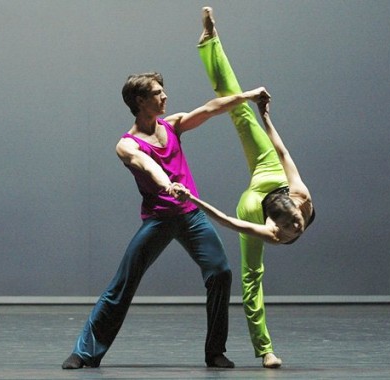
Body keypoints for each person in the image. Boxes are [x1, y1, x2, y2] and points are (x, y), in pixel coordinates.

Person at [61, 69, 270, 370]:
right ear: (140, 100)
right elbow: (147, 165)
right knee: (123, 283)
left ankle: (215, 352)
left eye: (163, 90)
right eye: (158, 92)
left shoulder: (172, 126)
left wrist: (248, 96)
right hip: (159, 220)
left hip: (191, 217)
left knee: (220, 273)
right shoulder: (127, 144)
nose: (165, 96)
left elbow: (211, 109)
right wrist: (167, 184)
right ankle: (84, 352)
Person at [176, 7, 316, 369]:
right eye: (291, 229)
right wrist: (193, 199)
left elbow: (281, 152)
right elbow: (228, 221)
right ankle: (210, 43)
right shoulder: (266, 227)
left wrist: (267, 119)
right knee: (253, 277)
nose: (297, 228)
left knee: (249, 116)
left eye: (297, 224)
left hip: (273, 174)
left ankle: (264, 350)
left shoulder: (301, 196)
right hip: (255, 198)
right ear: (276, 228)